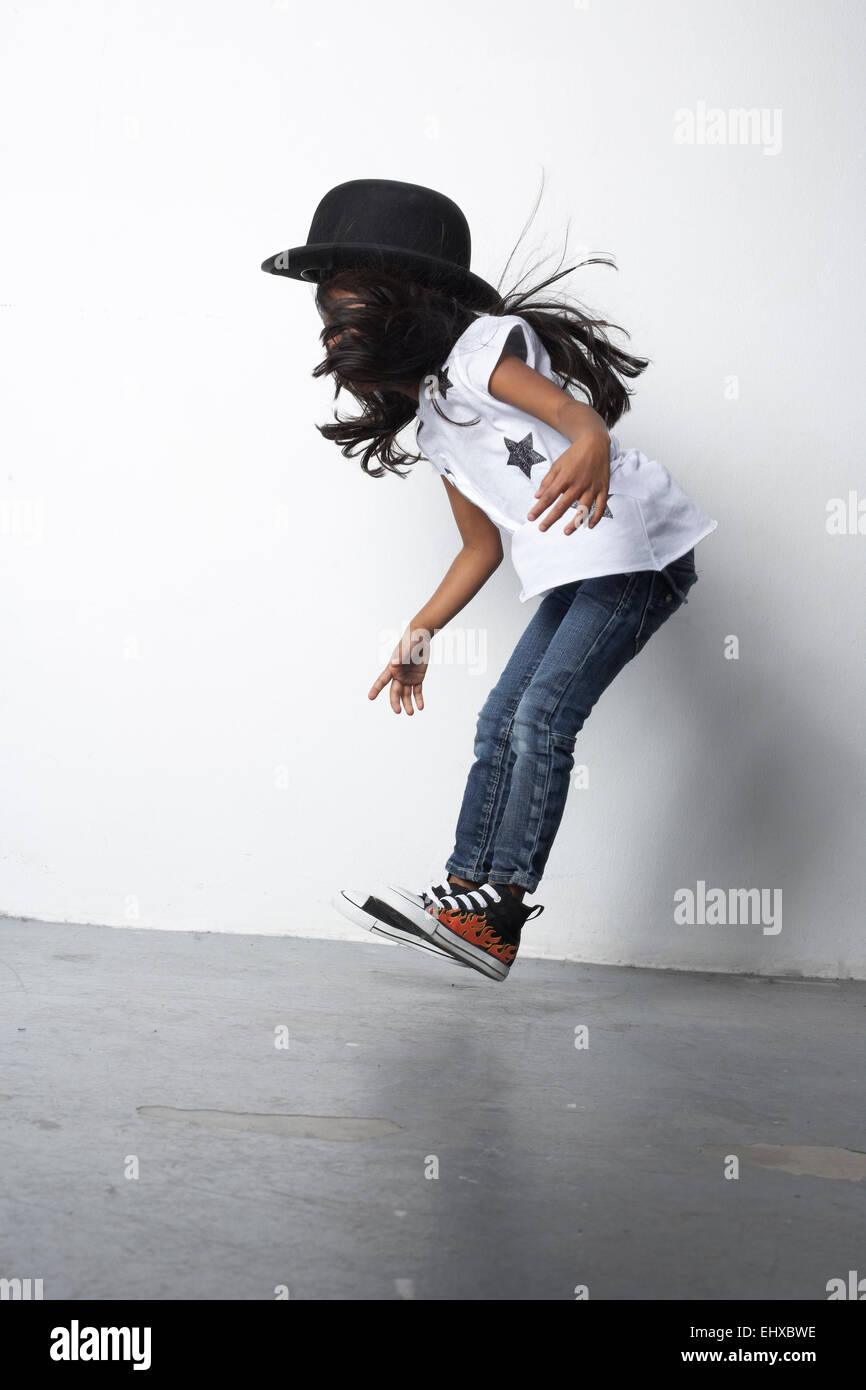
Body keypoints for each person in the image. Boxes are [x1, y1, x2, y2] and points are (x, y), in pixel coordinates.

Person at [261, 179, 718, 983]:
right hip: (576, 564)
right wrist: (420, 630)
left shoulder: (480, 357)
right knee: (501, 715)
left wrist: (588, 443)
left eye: (354, 313)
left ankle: (502, 909)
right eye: (329, 318)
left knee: (543, 714)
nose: (337, 334)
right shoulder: (435, 421)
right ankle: (464, 893)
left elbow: (581, 420)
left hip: (637, 549)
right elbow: (480, 547)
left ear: (406, 307)